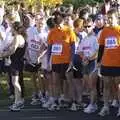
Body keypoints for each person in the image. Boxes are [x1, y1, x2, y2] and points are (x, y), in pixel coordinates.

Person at [47, 11, 76, 111]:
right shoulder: (52, 32)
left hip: (67, 61)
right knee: (55, 82)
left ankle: (73, 103)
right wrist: (48, 62)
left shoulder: (69, 30)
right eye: (55, 17)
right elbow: (49, 48)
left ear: (62, 19)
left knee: (69, 82)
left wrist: (72, 61)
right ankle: (56, 102)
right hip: (55, 61)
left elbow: (73, 47)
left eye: (58, 17)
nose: (57, 19)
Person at [97, 8, 120, 117]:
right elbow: (101, 47)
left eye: (111, 18)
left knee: (118, 86)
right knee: (106, 85)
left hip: (118, 64)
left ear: (117, 18)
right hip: (106, 63)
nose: (109, 20)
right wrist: (98, 62)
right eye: (108, 18)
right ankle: (106, 106)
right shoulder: (104, 31)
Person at [77, 17, 99, 114]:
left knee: (92, 86)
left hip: (93, 63)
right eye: (85, 27)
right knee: (88, 86)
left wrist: (89, 59)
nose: (87, 28)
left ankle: (92, 104)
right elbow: (80, 51)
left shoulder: (96, 38)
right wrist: (84, 58)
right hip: (85, 63)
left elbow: (98, 52)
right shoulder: (84, 39)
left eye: (89, 26)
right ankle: (93, 103)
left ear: (93, 26)